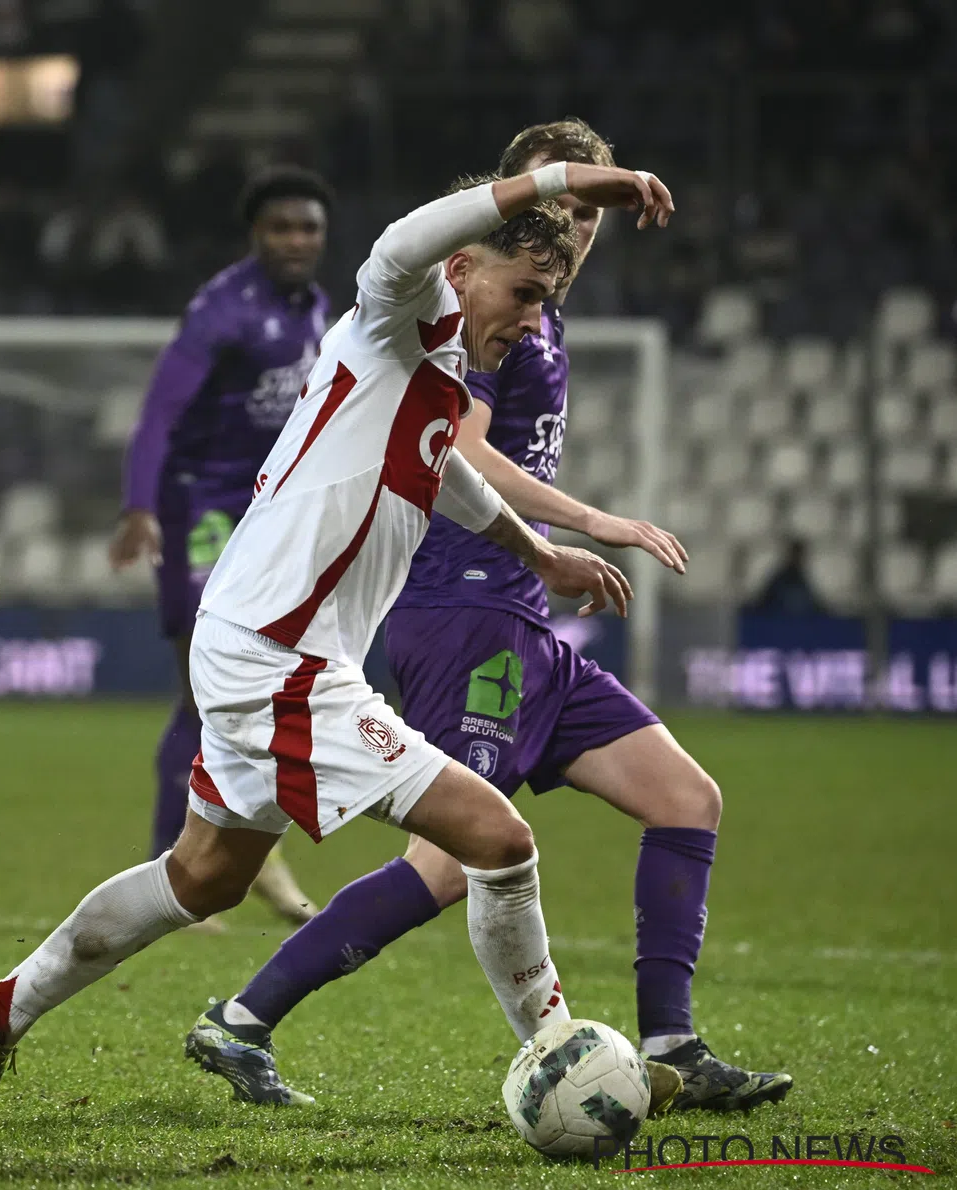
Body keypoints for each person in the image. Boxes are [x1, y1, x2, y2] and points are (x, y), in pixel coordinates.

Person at [0, 160, 676, 1122]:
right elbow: (408, 235)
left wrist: (540, 554)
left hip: (269, 640)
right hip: (281, 653)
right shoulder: (392, 306)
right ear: (462, 269)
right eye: (525, 294)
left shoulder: (440, 370)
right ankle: (557, 1051)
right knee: (499, 839)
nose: (533, 320)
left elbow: (443, 469)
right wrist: (569, 177)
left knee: (203, 875)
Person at [190, 120, 792, 1113]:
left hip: (524, 622)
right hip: (462, 607)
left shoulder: (539, 314)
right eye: (566, 204)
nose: (578, 228)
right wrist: (585, 524)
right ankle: (244, 1017)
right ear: (511, 208)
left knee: (687, 799)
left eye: (590, 216)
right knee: (455, 856)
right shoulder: (479, 318)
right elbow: (455, 445)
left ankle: (675, 1044)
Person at [109, 166, 336, 928]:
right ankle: (182, 866)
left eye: (308, 227)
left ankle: (243, 855)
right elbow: (159, 412)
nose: (297, 240)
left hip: (267, 517)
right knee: (205, 689)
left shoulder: (317, 310)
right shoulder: (222, 311)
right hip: (199, 513)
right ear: (256, 236)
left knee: (260, 686)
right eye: (282, 228)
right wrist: (140, 507)